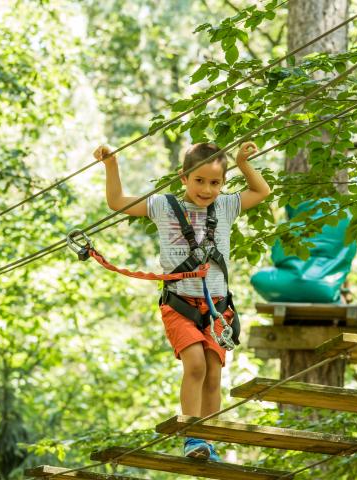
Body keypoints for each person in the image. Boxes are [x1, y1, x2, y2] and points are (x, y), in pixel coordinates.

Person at [95, 141, 270, 462]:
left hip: (218, 307)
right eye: (199, 180)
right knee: (195, 366)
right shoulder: (163, 206)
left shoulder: (226, 206)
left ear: (224, 183)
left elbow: (261, 192)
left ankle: (208, 441)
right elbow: (117, 202)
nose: (207, 189)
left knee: (214, 374)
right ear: (183, 178)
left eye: (215, 182)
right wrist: (112, 165)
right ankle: (192, 437)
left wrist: (244, 163)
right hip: (180, 305)